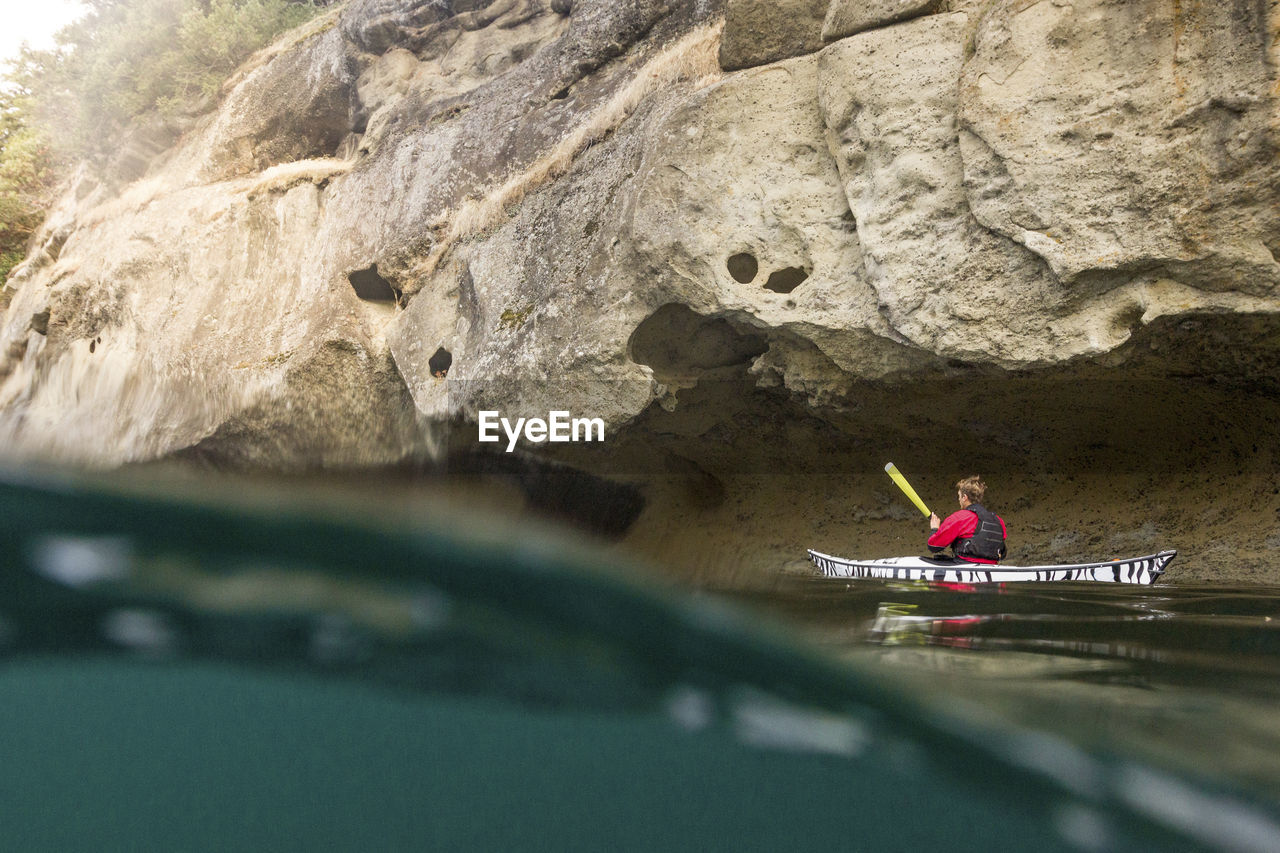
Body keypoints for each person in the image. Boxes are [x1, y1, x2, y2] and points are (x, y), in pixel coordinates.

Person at [927, 475, 1007, 564]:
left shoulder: (960, 517)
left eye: (959, 496)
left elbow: (933, 546)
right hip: (991, 569)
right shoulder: (998, 520)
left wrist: (934, 529)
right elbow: (1002, 553)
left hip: (965, 567)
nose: (959, 499)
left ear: (964, 497)